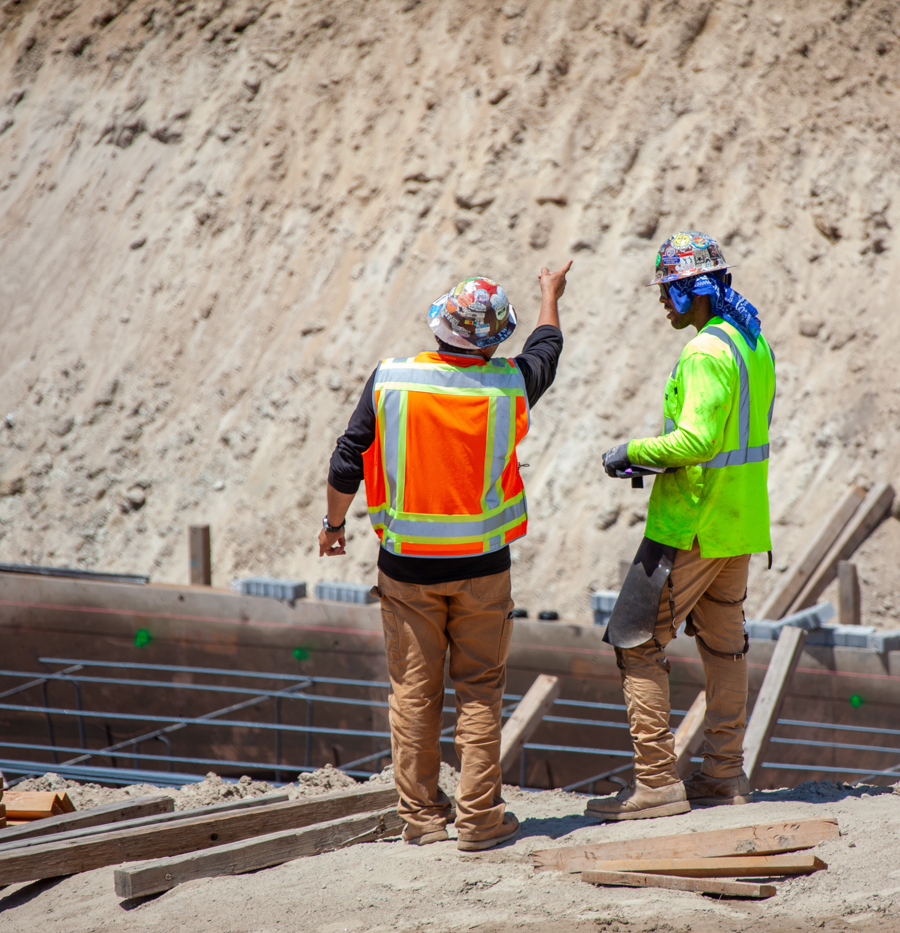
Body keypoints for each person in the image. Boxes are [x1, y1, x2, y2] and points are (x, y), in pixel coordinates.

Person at [319, 264, 571, 850]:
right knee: (480, 691)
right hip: (484, 566)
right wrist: (549, 294)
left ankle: (424, 820)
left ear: (441, 326)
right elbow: (548, 348)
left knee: (413, 691)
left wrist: (334, 526)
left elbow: (346, 459)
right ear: (494, 339)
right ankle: (480, 820)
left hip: (407, 566)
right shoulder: (510, 384)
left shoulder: (392, 380)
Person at [588, 231, 775, 821]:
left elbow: (695, 440)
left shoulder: (703, 353)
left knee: (635, 640)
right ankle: (723, 776)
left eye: (669, 290)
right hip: (738, 523)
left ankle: (656, 784)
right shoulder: (751, 344)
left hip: (691, 524)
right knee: (725, 648)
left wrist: (632, 450)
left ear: (694, 290)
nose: (662, 301)